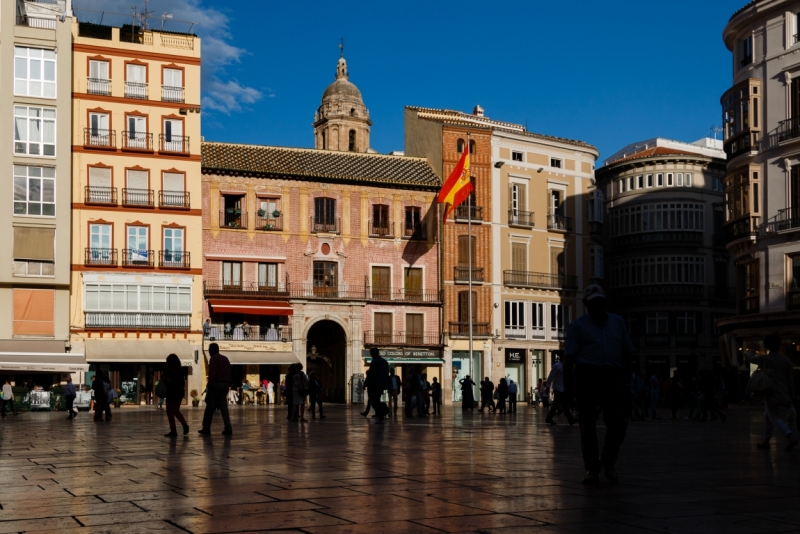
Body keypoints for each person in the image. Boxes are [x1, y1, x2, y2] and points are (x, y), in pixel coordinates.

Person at [564, 284, 634, 485]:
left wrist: (626, 381)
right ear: (586, 304)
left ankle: (607, 460)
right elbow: (569, 358)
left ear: (605, 302)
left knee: (619, 423)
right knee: (587, 425)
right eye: (593, 303)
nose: (597, 306)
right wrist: (568, 388)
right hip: (586, 374)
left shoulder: (618, 322)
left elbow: (627, 351)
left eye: (600, 302)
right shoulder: (577, 326)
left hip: (613, 374)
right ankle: (592, 469)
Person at [748, 335, 797, 451]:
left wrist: (752, 350)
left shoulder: (764, 359)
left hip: (769, 392)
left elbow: (749, 359)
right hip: (783, 392)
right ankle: (766, 440)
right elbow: (790, 380)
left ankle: (789, 436)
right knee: (767, 415)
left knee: (773, 416)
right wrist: (792, 395)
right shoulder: (786, 360)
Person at [198, 343, 233, 436]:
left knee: (210, 407)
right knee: (223, 407)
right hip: (225, 385)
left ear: (211, 350)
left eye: (209, 350)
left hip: (216, 385)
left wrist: (209, 384)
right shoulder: (225, 359)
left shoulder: (213, 359)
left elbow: (212, 373)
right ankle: (228, 427)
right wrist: (228, 385)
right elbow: (230, 372)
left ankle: (206, 428)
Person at [162, 354, 189, 437]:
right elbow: (182, 382)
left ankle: (173, 431)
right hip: (179, 392)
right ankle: (185, 425)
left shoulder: (170, 370)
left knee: (170, 412)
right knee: (176, 411)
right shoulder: (180, 370)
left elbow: (168, 380)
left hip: (172, 392)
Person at [546, 358, 577, 426]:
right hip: (557, 388)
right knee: (564, 404)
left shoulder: (567, 366)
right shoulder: (557, 366)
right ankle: (570, 419)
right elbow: (551, 376)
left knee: (558, 404)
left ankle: (549, 418)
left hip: (563, 389)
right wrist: (548, 385)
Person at [365, 347, 390, 423]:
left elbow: (371, 374)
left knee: (375, 401)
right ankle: (382, 414)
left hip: (375, 384)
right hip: (382, 384)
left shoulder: (375, 361)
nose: (370, 354)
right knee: (377, 400)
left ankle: (381, 416)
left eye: (371, 353)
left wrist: (366, 383)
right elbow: (386, 374)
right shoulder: (384, 361)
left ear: (374, 353)